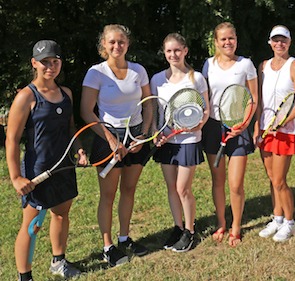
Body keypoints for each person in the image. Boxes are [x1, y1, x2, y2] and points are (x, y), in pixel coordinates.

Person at [6, 40, 82, 280]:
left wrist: (79, 151)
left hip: (63, 167)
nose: (50, 66)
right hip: (38, 172)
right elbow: (12, 140)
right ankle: (24, 276)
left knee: (61, 214)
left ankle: (58, 261)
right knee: (32, 226)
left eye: (55, 61)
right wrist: (16, 177)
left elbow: (72, 130)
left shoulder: (67, 93)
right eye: (45, 62)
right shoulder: (26, 97)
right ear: (34, 63)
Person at [80, 24, 151, 267]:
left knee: (129, 190)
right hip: (107, 138)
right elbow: (86, 111)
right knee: (108, 195)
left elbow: (148, 104)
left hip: (136, 137)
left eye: (121, 42)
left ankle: (124, 238)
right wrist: (110, 139)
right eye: (112, 42)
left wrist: (144, 135)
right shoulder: (96, 73)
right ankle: (108, 246)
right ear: (104, 45)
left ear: (127, 44)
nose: (117, 46)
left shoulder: (138, 70)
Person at [150, 33, 209, 252]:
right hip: (167, 141)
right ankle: (177, 226)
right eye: (169, 51)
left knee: (183, 188)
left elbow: (206, 109)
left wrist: (198, 125)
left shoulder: (197, 78)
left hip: (189, 140)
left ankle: (190, 231)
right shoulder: (157, 80)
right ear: (164, 53)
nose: (173, 55)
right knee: (171, 188)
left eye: (177, 50)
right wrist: (156, 132)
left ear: (185, 51)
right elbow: (154, 111)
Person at [201, 22, 258, 247]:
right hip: (213, 128)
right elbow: (205, 96)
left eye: (231, 38)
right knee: (218, 181)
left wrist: (243, 124)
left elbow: (252, 97)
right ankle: (221, 223)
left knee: (235, 184)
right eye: (223, 39)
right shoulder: (208, 65)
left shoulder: (246, 64)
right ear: (216, 42)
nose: (228, 42)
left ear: (236, 39)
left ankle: (236, 226)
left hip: (238, 128)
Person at [254, 25, 295, 242]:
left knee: (279, 180)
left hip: (285, 132)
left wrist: (283, 121)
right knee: (271, 178)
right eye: (275, 40)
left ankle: (290, 222)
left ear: (289, 42)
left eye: (283, 40)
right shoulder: (263, 66)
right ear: (270, 42)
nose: (279, 44)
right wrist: (258, 127)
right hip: (266, 131)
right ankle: (277, 218)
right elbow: (259, 102)